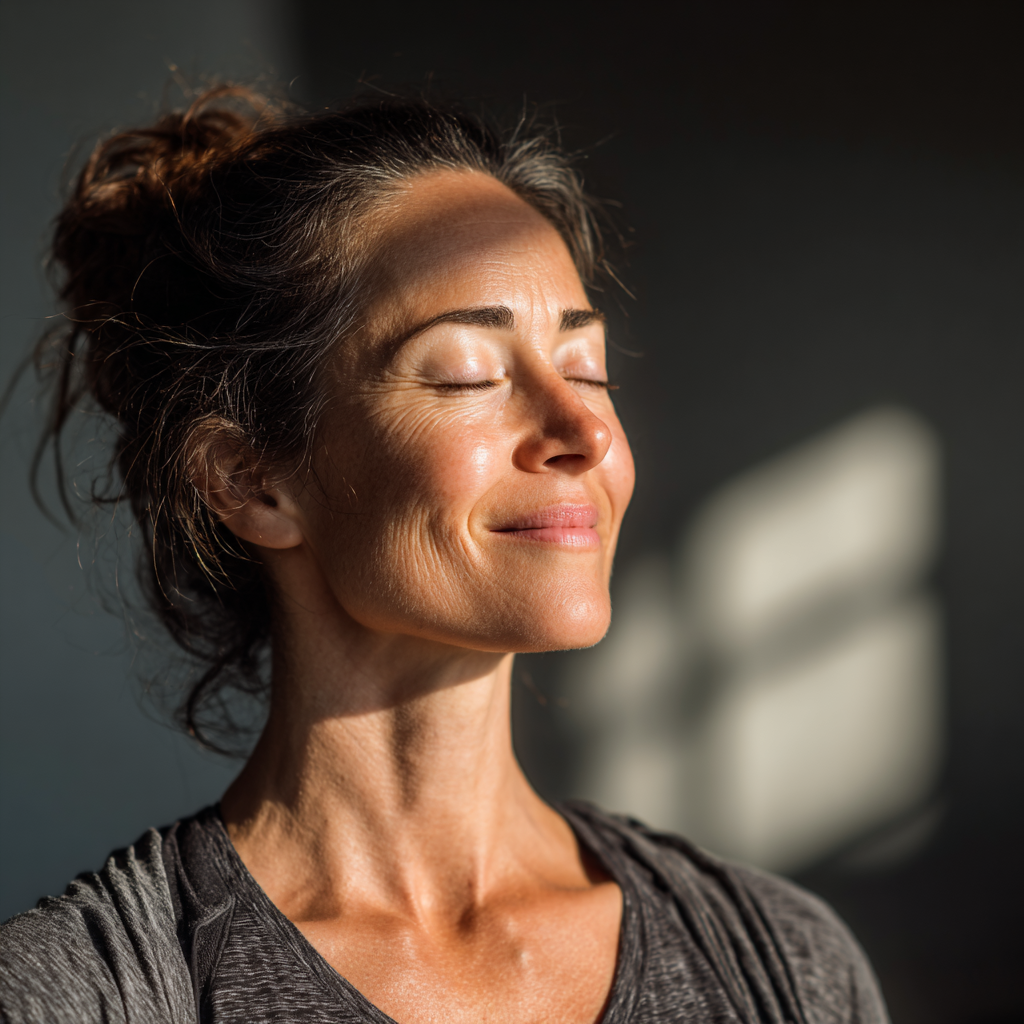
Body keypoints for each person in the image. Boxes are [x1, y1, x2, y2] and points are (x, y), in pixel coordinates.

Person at [0, 85, 888, 1024]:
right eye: (469, 371)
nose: (583, 427)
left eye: (586, 367)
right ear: (252, 482)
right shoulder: (83, 996)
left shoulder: (786, 965)